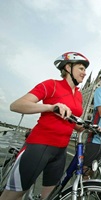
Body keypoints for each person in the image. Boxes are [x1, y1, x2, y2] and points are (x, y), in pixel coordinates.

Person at [0, 52, 90, 200]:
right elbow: (16, 105)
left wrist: (85, 127)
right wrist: (50, 107)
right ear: (68, 67)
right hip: (39, 146)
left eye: (84, 70)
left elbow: (70, 120)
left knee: (50, 197)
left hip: (60, 151)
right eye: (81, 68)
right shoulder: (51, 85)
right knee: (12, 196)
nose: (84, 73)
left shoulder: (79, 95)